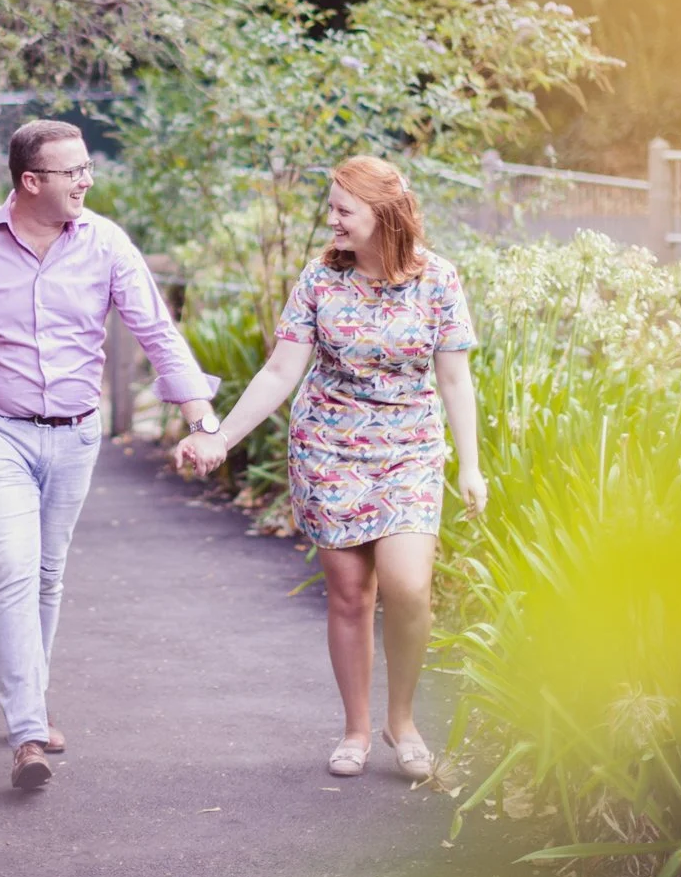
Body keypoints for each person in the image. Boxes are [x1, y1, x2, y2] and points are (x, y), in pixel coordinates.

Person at [0, 120, 219, 790]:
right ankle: (27, 733)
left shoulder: (106, 243)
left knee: (48, 573)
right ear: (30, 181)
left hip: (76, 435)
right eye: (73, 171)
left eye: (87, 168)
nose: (86, 180)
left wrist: (202, 419)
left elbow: (157, 332)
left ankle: (33, 699)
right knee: (13, 567)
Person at [176, 156, 485, 780]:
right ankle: (356, 730)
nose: (332, 221)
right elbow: (280, 372)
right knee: (349, 596)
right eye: (332, 209)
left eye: (344, 210)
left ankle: (403, 721)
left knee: (409, 586)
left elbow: (455, 379)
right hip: (329, 448)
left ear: (384, 213)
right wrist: (221, 438)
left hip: (409, 450)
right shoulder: (320, 279)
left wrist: (471, 466)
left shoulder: (438, 279)